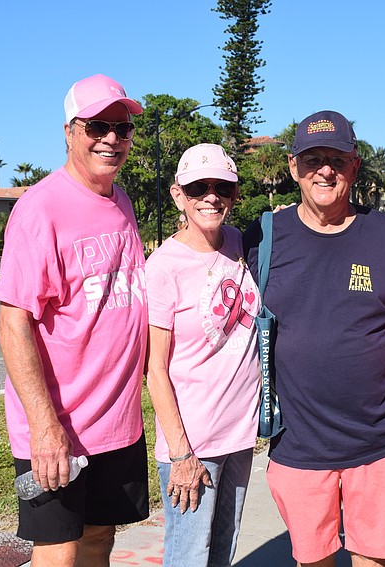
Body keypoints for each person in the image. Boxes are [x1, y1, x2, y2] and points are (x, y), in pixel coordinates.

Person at [243, 110, 385, 567]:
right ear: (293, 168)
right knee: (314, 561)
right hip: (299, 443)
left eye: (336, 159)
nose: (324, 170)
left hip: (381, 441)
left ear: (355, 165)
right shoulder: (264, 238)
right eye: (312, 159)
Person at [0, 74, 150, 566]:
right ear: (69, 130)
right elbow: (13, 321)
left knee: (100, 539)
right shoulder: (41, 208)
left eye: (121, 129)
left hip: (116, 424)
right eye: (97, 126)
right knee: (58, 551)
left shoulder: (120, 202)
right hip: (59, 427)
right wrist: (44, 428)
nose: (111, 139)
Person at [145, 143, 261, 567]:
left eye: (222, 187)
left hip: (241, 435)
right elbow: (154, 368)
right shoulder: (163, 266)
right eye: (198, 187)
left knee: (223, 551)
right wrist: (181, 454)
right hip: (193, 443)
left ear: (234, 194)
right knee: (189, 557)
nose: (211, 196)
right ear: (178, 194)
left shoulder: (239, 243)